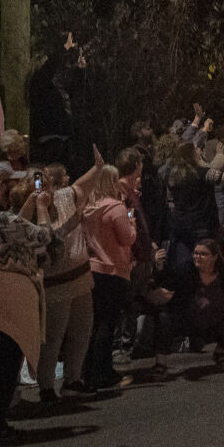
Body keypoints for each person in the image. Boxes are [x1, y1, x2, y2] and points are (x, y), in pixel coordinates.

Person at [0, 164, 80, 443]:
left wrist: (28, 206)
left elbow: (14, 230)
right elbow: (44, 237)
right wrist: (41, 209)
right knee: (3, 365)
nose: (1, 188)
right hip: (5, 303)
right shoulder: (1, 222)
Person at [24, 162, 93, 402]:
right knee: (53, 337)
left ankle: (73, 378)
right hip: (55, 283)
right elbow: (47, 241)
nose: (47, 190)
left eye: (48, 185)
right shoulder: (32, 209)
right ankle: (46, 385)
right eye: (41, 185)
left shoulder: (64, 197)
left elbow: (86, 183)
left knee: (81, 330)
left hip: (80, 277)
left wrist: (99, 165)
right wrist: (39, 206)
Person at [79, 160, 138, 391]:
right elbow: (127, 237)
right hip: (113, 269)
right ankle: (102, 372)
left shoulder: (88, 209)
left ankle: (87, 371)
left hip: (93, 268)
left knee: (93, 324)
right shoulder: (115, 208)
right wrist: (131, 220)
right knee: (107, 323)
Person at [152, 238, 224, 371]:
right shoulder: (186, 270)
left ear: (214, 257)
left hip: (215, 322)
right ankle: (160, 364)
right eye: (196, 253)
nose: (197, 257)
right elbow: (167, 281)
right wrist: (159, 267)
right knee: (164, 319)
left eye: (203, 254)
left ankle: (219, 353)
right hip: (189, 321)